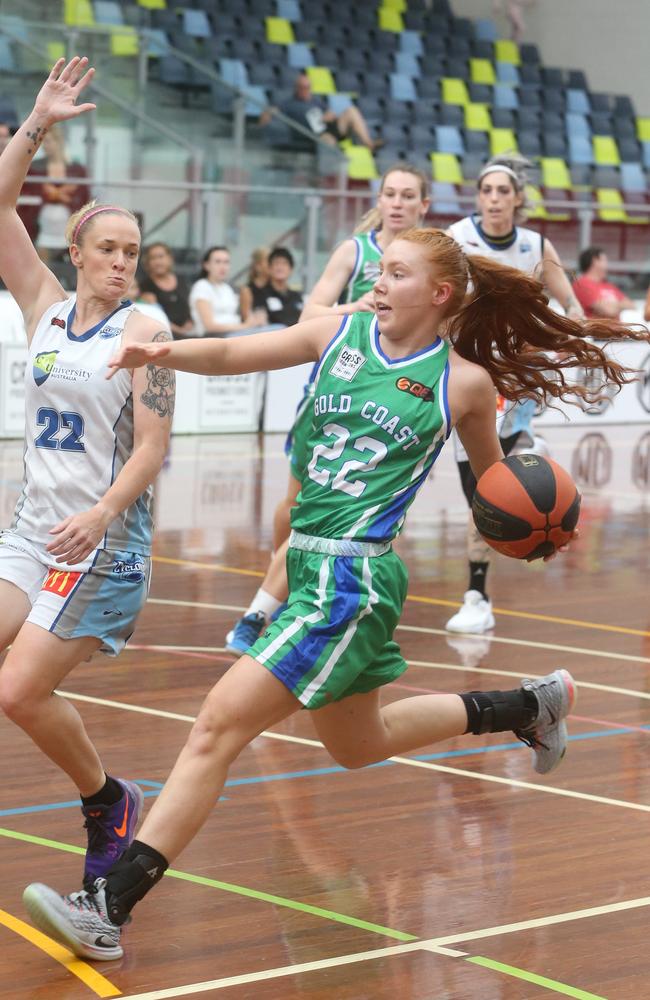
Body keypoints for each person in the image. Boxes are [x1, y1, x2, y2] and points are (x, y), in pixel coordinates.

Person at [23, 227, 648, 962]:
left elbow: (493, 493)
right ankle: (527, 705)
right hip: (310, 568)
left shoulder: (465, 383)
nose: (377, 283)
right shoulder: (344, 333)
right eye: (380, 271)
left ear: (438, 294)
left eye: (396, 274)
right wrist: (165, 353)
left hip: (352, 580)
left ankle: (108, 906)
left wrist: (538, 523)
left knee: (217, 726)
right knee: (359, 744)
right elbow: (237, 351)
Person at [0, 58, 174, 891]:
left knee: (19, 692)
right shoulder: (42, 305)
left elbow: (151, 448)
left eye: (132, 251)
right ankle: (107, 798)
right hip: (35, 532)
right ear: (75, 251)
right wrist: (36, 128)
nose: (121, 261)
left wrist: (104, 511)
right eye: (107, 248)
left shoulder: (148, 331)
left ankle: (108, 800)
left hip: (102, 545)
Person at [226, 164, 431, 653]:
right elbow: (309, 314)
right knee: (298, 507)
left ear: (424, 205)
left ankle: (274, 606)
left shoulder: (432, 260)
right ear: (378, 201)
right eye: (390, 194)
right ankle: (282, 589)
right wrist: (354, 309)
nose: (397, 203)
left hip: (395, 400)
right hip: (335, 391)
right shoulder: (354, 251)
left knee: (362, 514)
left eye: (408, 195)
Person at [444, 153, 585, 635]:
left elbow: (571, 304)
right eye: (487, 190)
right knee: (476, 494)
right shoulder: (455, 239)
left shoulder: (536, 246)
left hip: (515, 378)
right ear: (478, 197)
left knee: (488, 492)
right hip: (465, 375)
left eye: (504, 191)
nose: (495, 199)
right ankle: (530, 454)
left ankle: (476, 595)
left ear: (518, 198)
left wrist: (575, 336)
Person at [261, 73, 381, 152]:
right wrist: (267, 114)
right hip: (314, 136)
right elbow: (271, 113)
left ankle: (368, 143)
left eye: (308, 87)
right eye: (303, 87)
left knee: (352, 111)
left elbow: (330, 112)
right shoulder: (289, 103)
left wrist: (328, 116)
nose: (305, 90)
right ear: (297, 88)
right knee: (328, 141)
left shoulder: (316, 101)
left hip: (328, 126)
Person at [19, 123, 89, 257]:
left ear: (59, 142)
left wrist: (56, 194)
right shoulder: (34, 169)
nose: (45, 145)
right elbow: (27, 195)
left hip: (68, 226)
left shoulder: (77, 170)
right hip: (40, 228)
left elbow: (84, 197)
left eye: (49, 141)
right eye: (43, 142)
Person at [189, 245, 266, 336]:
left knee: (275, 329)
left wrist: (255, 319)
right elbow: (209, 326)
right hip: (214, 337)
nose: (223, 267)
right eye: (218, 262)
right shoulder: (201, 287)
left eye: (226, 262)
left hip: (235, 332)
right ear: (206, 265)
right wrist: (244, 326)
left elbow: (243, 315)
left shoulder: (227, 288)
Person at [139, 242, 193, 337]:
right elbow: (155, 316)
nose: (158, 262)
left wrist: (189, 324)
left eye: (161, 256)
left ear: (170, 259)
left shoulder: (181, 280)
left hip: (188, 332)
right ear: (147, 262)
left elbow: (188, 307)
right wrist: (180, 331)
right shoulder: (146, 286)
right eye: (153, 258)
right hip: (163, 335)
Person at [572, 246, 637, 320]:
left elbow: (631, 305)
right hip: (597, 330)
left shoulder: (608, 285)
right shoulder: (581, 284)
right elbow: (608, 311)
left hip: (617, 330)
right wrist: (619, 305)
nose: (607, 264)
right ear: (595, 261)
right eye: (605, 260)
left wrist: (612, 305)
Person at [249, 247, 304, 327]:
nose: (280, 268)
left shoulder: (296, 296)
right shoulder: (260, 294)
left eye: (284, 264)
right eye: (277, 263)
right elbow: (260, 323)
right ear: (269, 268)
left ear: (291, 269)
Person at [239, 246, 269, 322]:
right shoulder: (247, 290)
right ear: (258, 266)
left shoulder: (275, 288)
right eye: (268, 261)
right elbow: (247, 320)